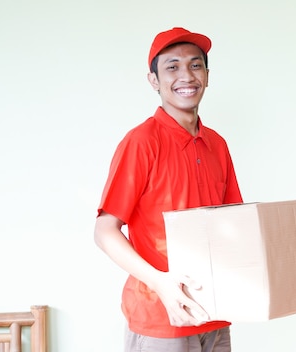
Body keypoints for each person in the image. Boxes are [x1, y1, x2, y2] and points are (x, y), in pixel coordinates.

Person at [94, 27, 243, 352]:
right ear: (154, 80)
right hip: (160, 319)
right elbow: (104, 231)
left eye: (195, 65)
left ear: (206, 75)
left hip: (216, 314)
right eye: (172, 67)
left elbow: (235, 226)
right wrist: (161, 283)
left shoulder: (217, 145)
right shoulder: (141, 143)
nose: (186, 76)